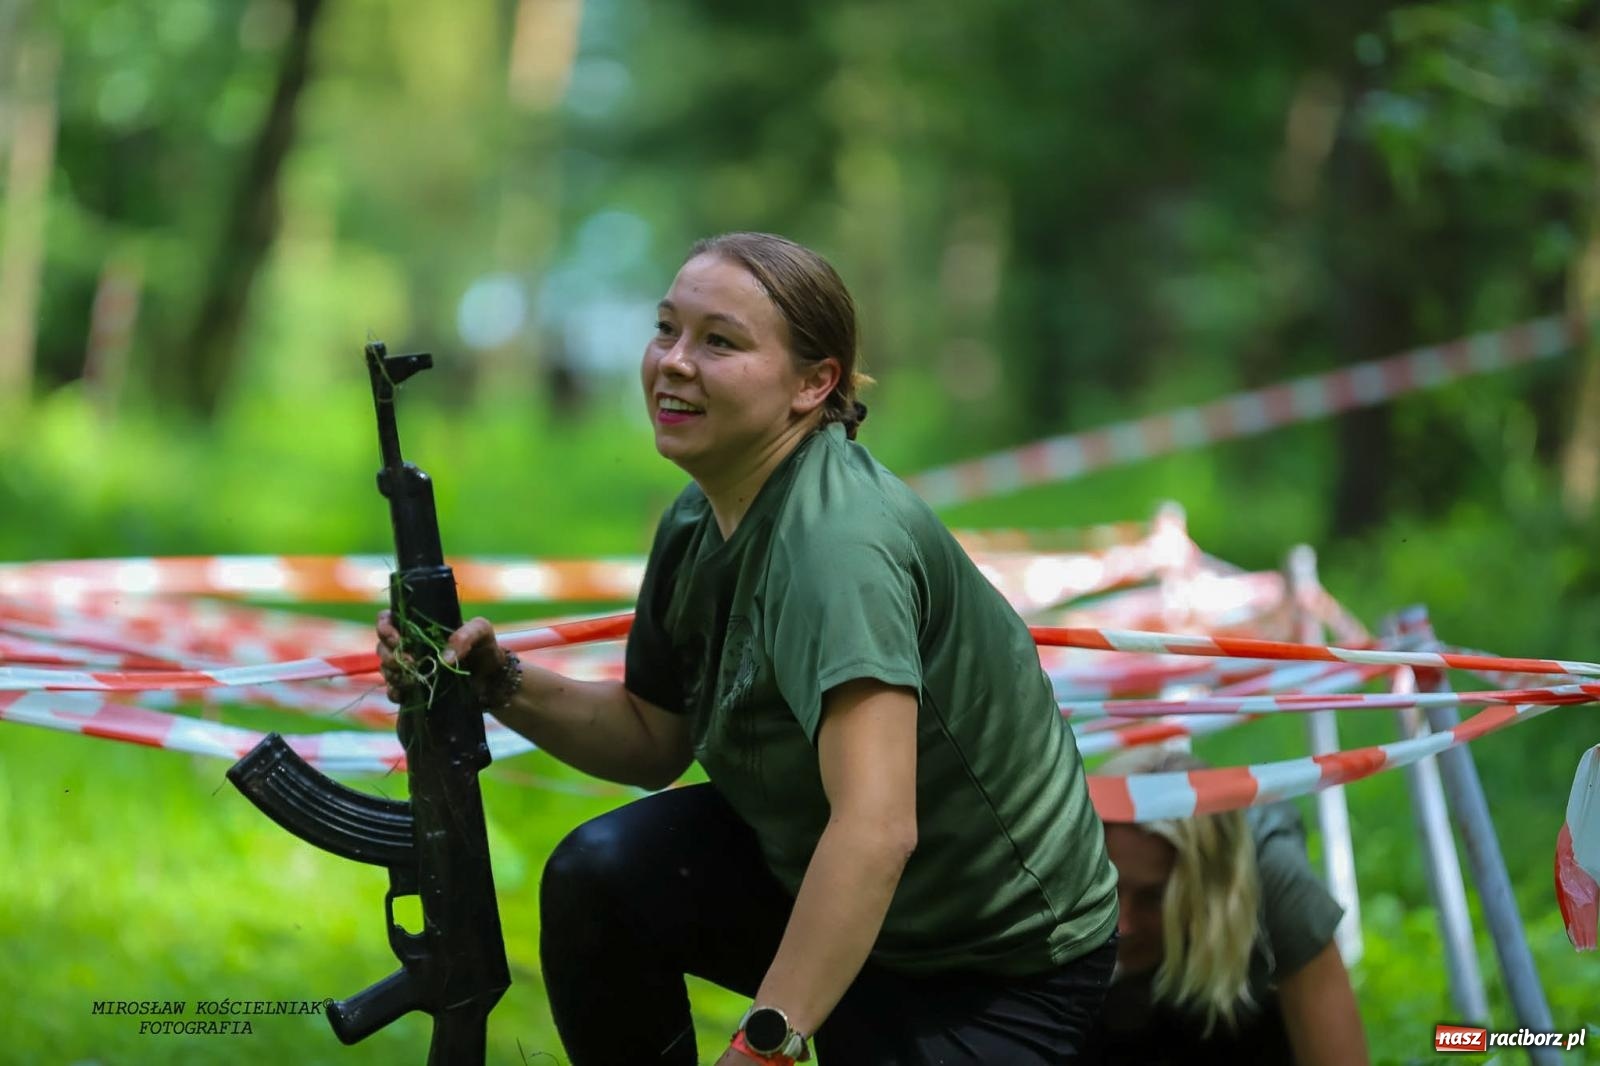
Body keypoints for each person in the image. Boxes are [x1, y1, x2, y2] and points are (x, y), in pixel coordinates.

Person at [377, 232, 1118, 1065]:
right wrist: (498, 681)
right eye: (667, 330)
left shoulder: (839, 548)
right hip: (820, 887)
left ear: (814, 384)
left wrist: (761, 1047)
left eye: (720, 342)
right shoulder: (699, 517)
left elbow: (876, 829)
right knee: (604, 875)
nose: (674, 363)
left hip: (994, 969)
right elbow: (655, 737)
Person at [1093, 746, 1369, 1066]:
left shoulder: (1276, 882)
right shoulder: (1049, 875)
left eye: (1154, 898)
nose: (1121, 924)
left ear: (1211, 890)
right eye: (1107, 889)